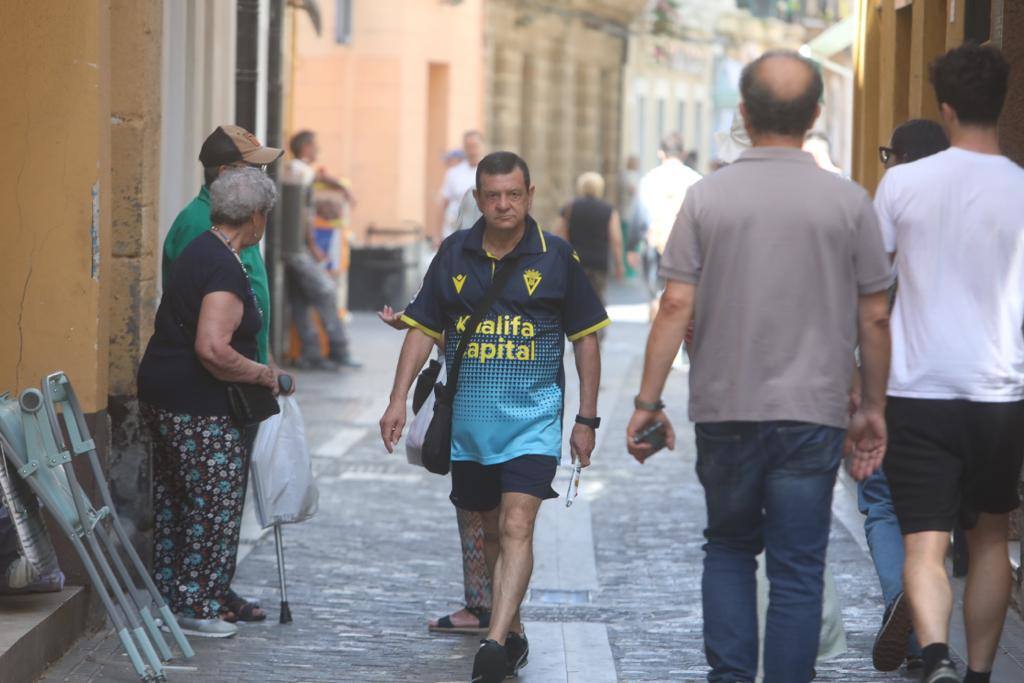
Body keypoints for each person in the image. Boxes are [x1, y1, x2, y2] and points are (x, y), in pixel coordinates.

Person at [626, 50, 893, 682]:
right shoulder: (849, 203)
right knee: (799, 567)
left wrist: (647, 402)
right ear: (817, 114)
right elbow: (875, 318)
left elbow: (675, 305)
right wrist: (874, 406)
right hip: (813, 412)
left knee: (728, 548)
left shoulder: (707, 198)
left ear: (743, 113)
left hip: (726, 407)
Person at [379, 151, 608, 683]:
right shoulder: (454, 253)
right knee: (487, 534)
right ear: (478, 199)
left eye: (514, 194)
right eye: (493, 195)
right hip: (469, 427)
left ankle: (494, 643)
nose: (503, 205)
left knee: (516, 524)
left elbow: (586, 342)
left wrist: (586, 419)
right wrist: (396, 398)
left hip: (533, 421)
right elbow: (423, 329)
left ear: (530, 196)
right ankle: (515, 629)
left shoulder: (557, 257)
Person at [873, 44, 1024, 683]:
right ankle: (982, 673)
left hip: (917, 388)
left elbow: (872, 300)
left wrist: (864, 396)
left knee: (923, 543)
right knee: (991, 537)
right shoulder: (1021, 188)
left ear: (945, 107)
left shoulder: (902, 182)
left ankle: (933, 652)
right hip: (999, 391)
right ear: (1002, 103)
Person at [138, 168, 292, 638]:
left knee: (177, 502)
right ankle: (197, 604)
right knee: (213, 502)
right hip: (197, 405)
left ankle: (171, 599)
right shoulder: (224, 266)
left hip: (166, 393)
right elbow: (213, 348)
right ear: (256, 216)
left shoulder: (202, 249)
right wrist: (265, 374)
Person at [858, 117, 949, 674]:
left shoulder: (888, 210)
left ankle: (904, 604)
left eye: (889, 155)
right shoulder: (971, 216)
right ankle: (928, 637)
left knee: (883, 502)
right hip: (962, 392)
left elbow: (868, 307)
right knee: (937, 518)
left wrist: (858, 391)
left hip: (895, 385)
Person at [282, 130, 359, 369]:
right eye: (315, 146)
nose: (318, 151)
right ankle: (338, 349)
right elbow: (304, 212)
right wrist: (313, 244)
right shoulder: (298, 169)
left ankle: (312, 353)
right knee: (325, 291)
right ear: (305, 147)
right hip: (299, 248)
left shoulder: (297, 171)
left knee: (301, 300)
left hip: (295, 247)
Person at [633, 132, 702, 314]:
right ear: (684, 153)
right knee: (682, 293)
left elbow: (640, 215)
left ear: (661, 153)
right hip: (686, 246)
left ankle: (656, 323)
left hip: (655, 242)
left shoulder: (649, 179)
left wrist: (632, 246)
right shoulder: (695, 180)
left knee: (656, 293)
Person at [555, 172, 625, 303]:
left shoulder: (569, 207)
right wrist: (619, 265)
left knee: (574, 300)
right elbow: (616, 240)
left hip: (575, 261)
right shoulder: (608, 210)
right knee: (596, 301)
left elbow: (558, 234)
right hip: (599, 263)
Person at [435, 130, 486, 244]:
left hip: (481, 232)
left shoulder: (490, 171)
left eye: (475, 146)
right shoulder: (453, 173)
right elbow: (443, 203)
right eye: (468, 146)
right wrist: (437, 235)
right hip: (454, 232)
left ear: (482, 146)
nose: (472, 150)